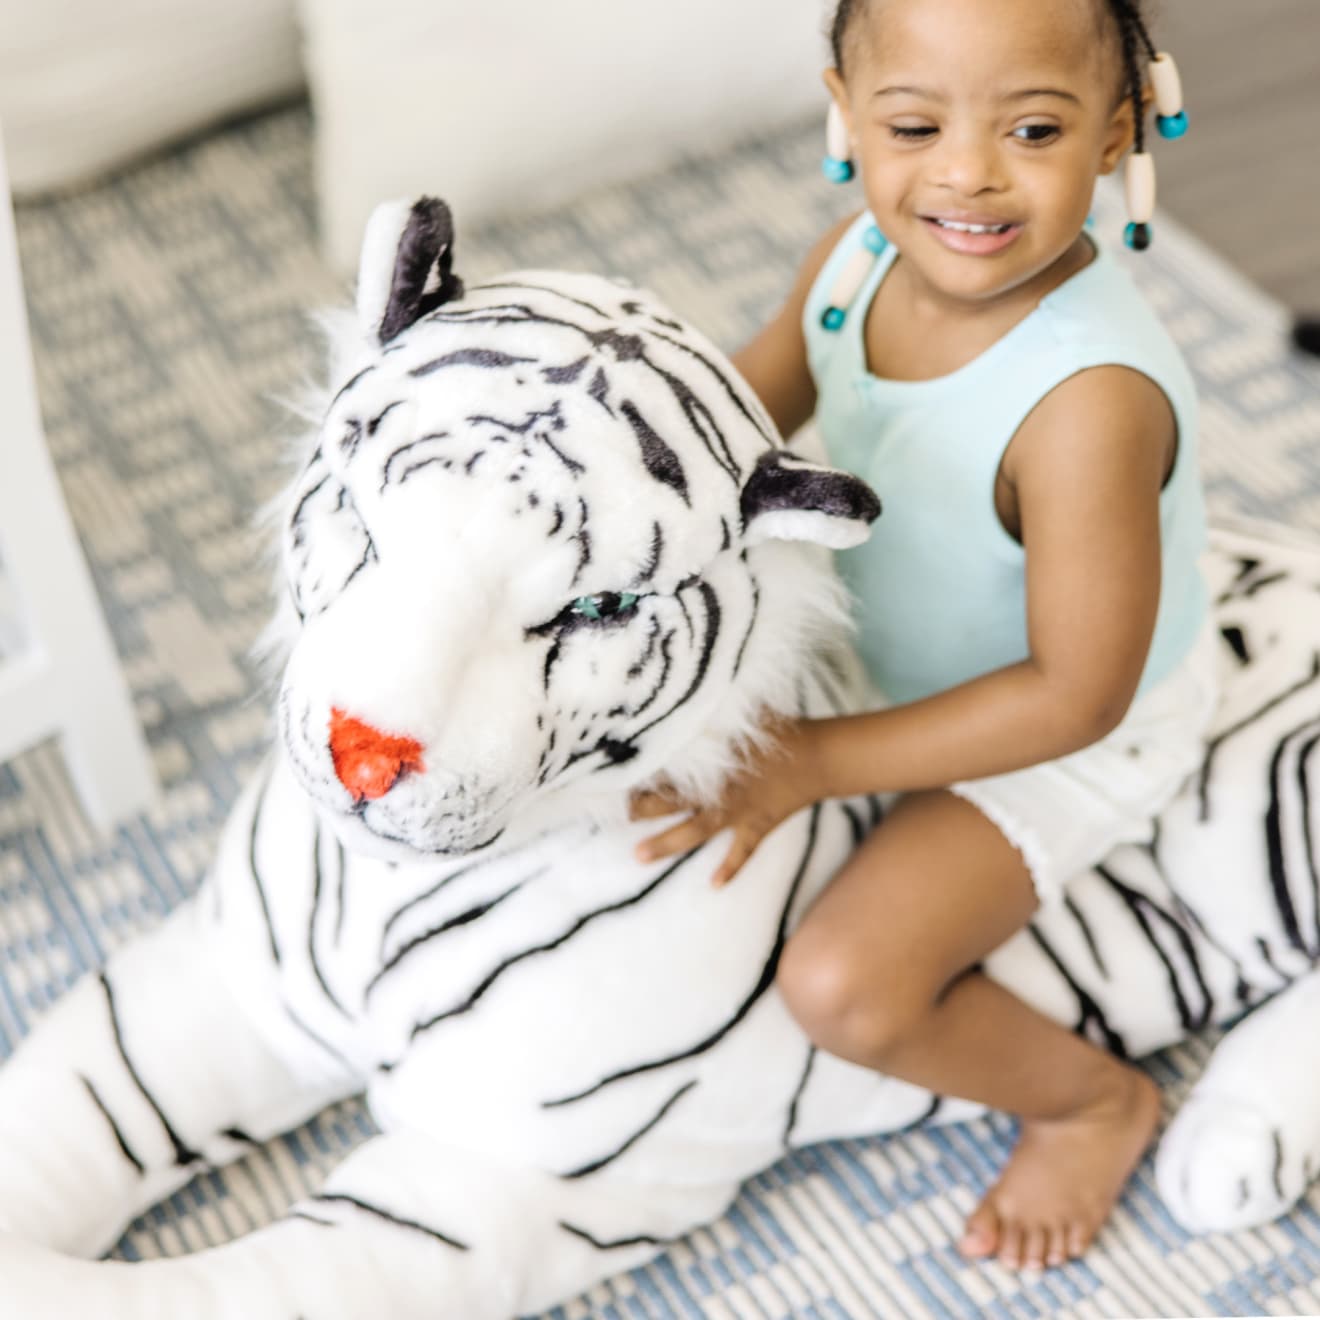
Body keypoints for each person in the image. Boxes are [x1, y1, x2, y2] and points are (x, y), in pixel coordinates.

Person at [631, 0, 1219, 1274]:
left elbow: (1076, 696)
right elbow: (737, 426)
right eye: (913, 123)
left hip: (1053, 729)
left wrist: (814, 761)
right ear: (844, 110)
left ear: (1119, 132)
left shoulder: (1086, 404)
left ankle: (1089, 1102)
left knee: (846, 986)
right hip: (893, 639)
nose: (967, 172)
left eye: (1034, 127)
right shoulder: (853, 264)